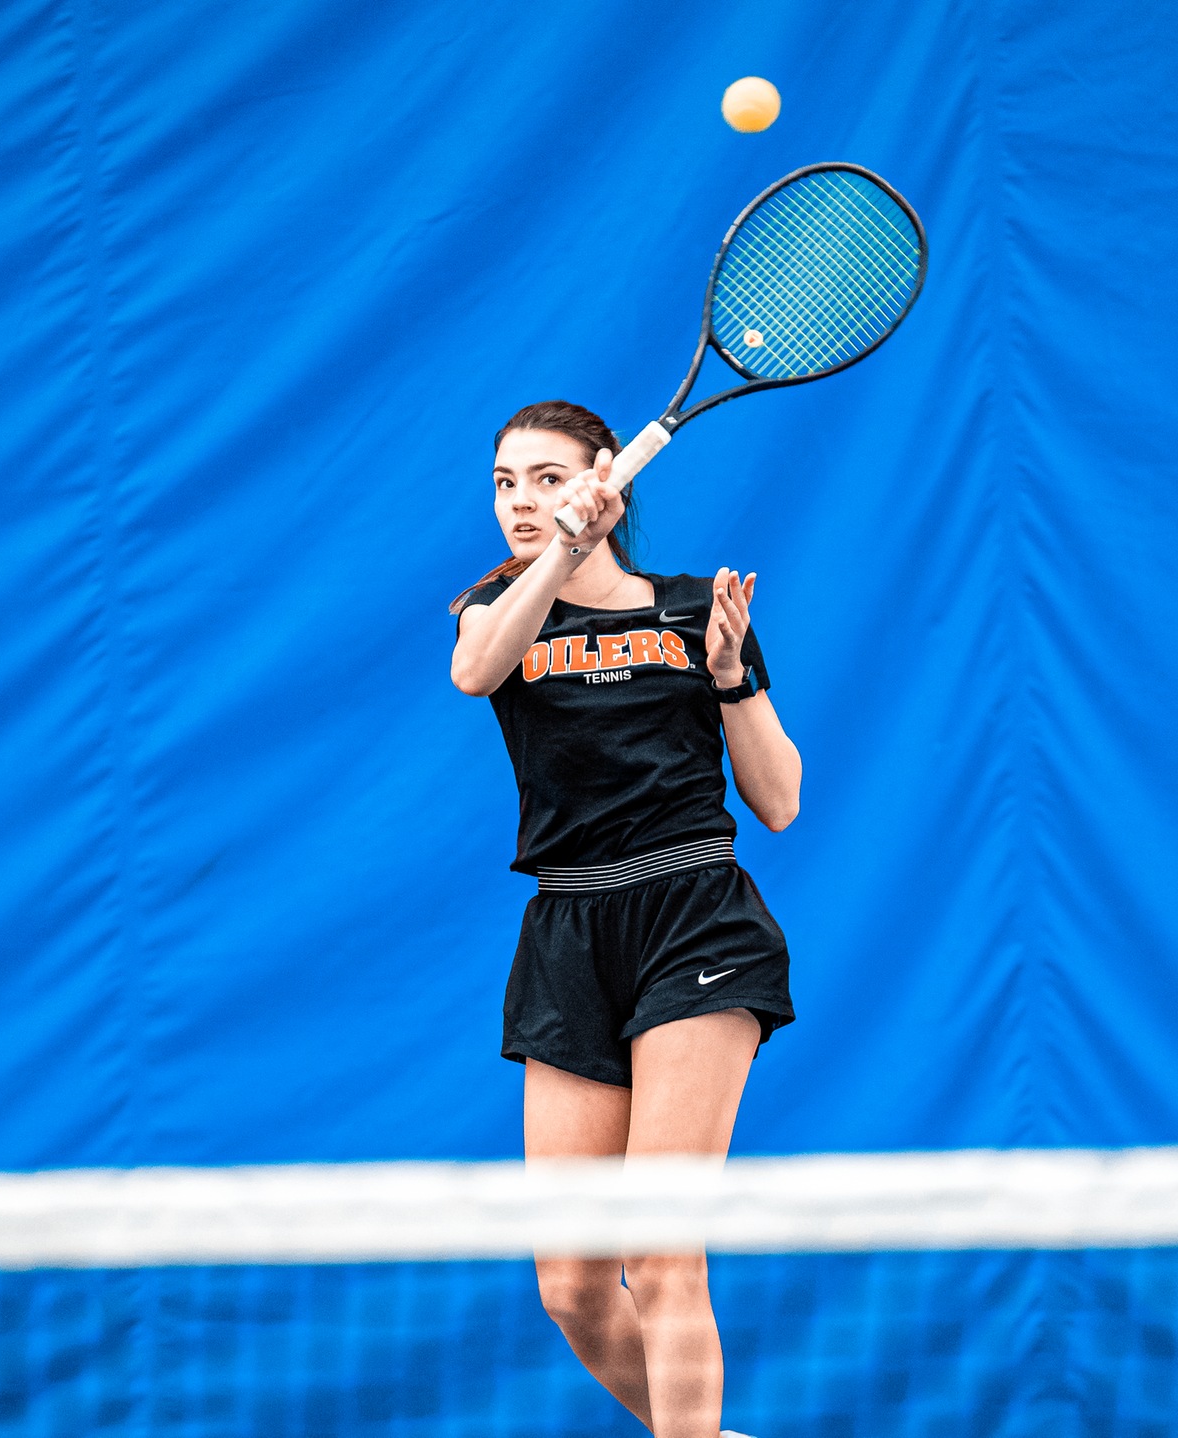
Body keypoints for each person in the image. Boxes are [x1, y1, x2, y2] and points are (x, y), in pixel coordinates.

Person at [449, 400, 801, 1438]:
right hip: (568, 935)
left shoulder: (694, 610)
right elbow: (477, 673)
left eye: (549, 478)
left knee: (660, 1246)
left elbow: (779, 801)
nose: (522, 500)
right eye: (507, 481)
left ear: (608, 480)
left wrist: (730, 675)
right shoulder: (494, 611)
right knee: (572, 1282)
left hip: (695, 917)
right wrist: (559, 550)